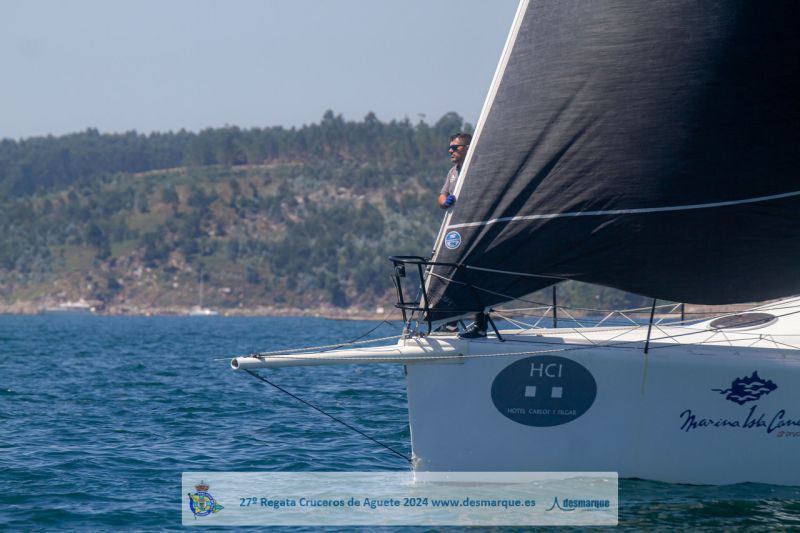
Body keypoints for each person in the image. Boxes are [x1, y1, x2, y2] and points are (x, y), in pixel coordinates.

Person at [436, 132, 487, 339]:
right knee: (450, 274)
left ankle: (480, 326)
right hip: (456, 234)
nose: (450, 151)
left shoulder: (477, 169)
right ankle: (450, 325)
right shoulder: (452, 172)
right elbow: (442, 195)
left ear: (467, 148)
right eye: (449, 147)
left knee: (475, 278)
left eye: (455, 148)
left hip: (475, 231)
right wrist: (444, 201)